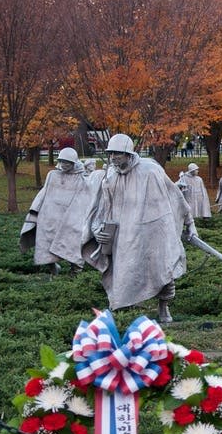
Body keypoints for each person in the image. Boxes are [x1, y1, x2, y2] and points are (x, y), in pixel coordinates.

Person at [82, 133, 196, 323]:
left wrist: (190, 223)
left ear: (128, 153)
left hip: (154, 229)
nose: (113, 158)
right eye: (111, 154)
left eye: (117, 154)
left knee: (162, 269)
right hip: (125, 233)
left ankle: (163, 307)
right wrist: (98, 229)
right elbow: (102, 207)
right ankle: (126, 308)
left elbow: (175, 196)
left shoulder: (150, 170)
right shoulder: (110, 176)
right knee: (125, 272)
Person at [20, 147, 95, 273]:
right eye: (62, 161)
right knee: (46, 244)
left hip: (70, 218)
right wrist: (35, 210)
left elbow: (85, 198)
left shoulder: (81, 178)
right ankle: (52, 267)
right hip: (49, 217)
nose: (64, 165)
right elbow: (44, 193)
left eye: (67, 162)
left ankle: (75, 270)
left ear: (74, 162)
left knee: (72, 244)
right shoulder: (52, 175)